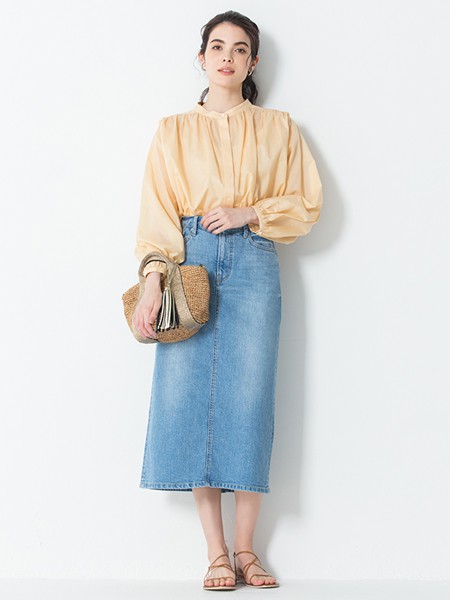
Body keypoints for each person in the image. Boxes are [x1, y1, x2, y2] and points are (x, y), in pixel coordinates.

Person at [132, 10, 323, 591]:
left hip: (255, 262)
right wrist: (152, 281)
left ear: (252, 62)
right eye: (217, 47)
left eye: (240, 49)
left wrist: (250, 212)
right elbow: (157, 214)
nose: (227, 57)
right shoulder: (172, 131)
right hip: (188, 263)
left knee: (249, 399)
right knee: (190, 398)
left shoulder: (279, 127)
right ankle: (215, 552)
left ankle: (246, 550)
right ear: (201, 57)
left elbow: (306, 202)